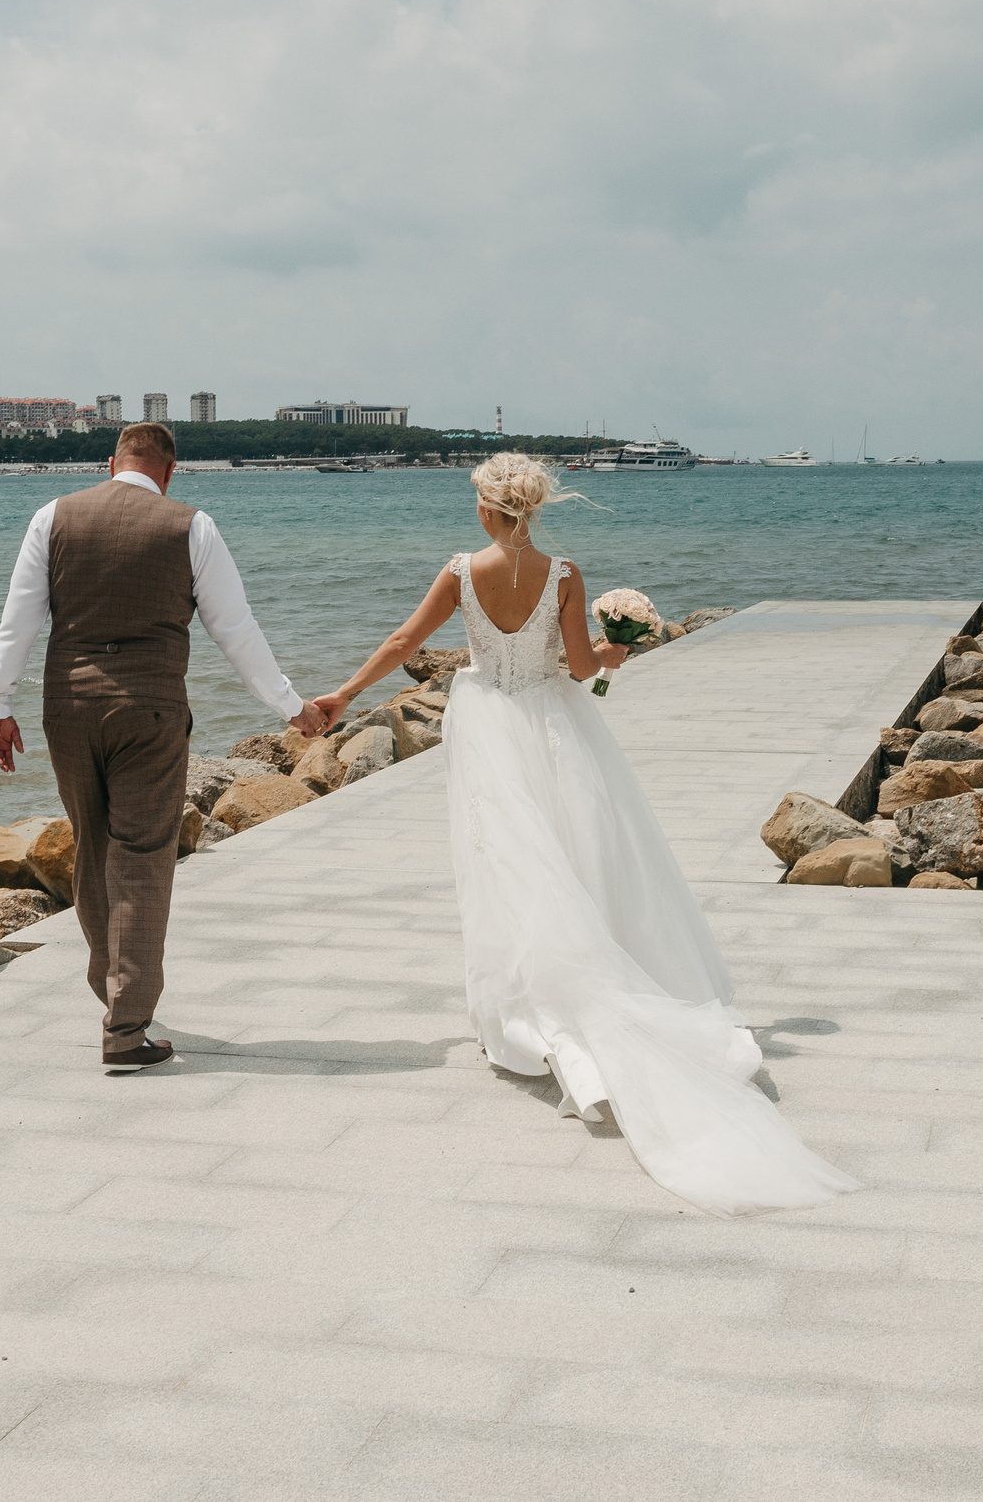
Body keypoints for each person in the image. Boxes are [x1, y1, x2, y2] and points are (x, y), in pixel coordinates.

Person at [313, 453, 856, 1215]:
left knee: (505, 864)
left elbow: (405, 641)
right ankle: (570, 991)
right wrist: (618, 648)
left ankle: (521, 1012)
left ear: (487, 507)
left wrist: (342, 693)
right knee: (570, 856)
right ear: (529, 507)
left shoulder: (461, 570)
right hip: (553, 727)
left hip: (487, 728)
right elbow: (577, 669)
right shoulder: (563, 573)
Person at [0, 422, 328, 1071]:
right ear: (171, 471)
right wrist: (293, 707)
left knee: (93, 846)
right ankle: (125, 1024)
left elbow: (19, 619)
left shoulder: (52, 517)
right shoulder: (190, 526)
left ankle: (110, 988)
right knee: (141, 857)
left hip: (70, 710)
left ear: (110, 463)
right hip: (151, 710)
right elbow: (236, 631)